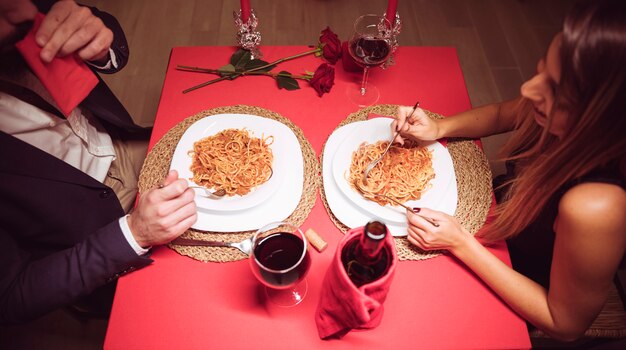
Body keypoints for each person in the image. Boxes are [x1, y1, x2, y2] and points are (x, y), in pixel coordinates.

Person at [392, 0, 626, 341]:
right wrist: (439, 128)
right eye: (542, 69)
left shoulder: (596, 207)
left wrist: (460, 244)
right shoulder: (550, 108)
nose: (529, 89)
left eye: (555, 91)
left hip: (521, 280)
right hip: (499, 221)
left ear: (603, 119)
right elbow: (505, 113)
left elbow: (564, 323)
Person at [0, 0, 196, 325]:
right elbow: (11, 296)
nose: (22, 10)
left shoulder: (19, 9)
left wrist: (98, 42)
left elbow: (108, 34)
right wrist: (133, 234)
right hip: (88, 234)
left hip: (117, 143)